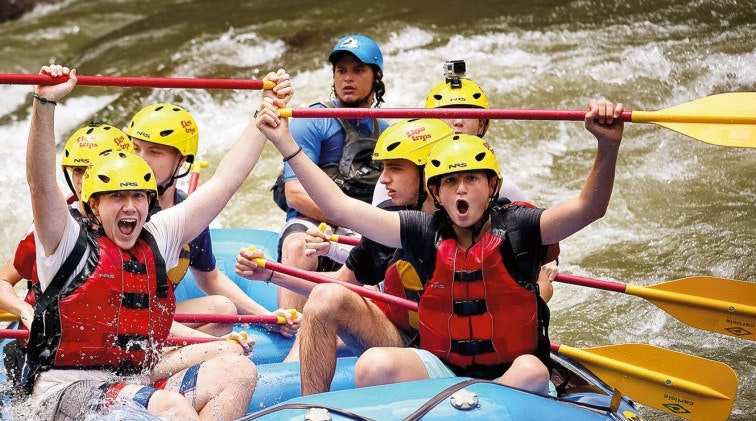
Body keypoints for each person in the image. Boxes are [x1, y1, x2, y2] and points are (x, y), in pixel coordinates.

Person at [253, 94, 624, 395]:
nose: (461, 189)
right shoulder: (420, 229)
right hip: (442, 366)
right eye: (450, 182)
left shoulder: (522, 224)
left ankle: (475, 407)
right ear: (436, 191)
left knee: (530, 370)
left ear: (493, 186)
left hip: (511, 370)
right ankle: (316, 413)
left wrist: (607, 146)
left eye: (472, 179)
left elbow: (589, 208)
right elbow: (339, 207)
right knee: (372, 366)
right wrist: (285, 142)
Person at [23, 63, 293, 421]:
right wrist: (44, 103)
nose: (130, 206)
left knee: (238, 369)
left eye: (138, 196)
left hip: (135, 375)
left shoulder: (158, 234)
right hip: (64, 388)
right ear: (93, 205)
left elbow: (226, 182)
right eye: (117, 196)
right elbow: (40, 184)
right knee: (170, 409)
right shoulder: (64, 241)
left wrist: (263, 116)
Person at [236, 118, 454, 391]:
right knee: (327, 296)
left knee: (375, 364)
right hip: (404, 341)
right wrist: (270, 273)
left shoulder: (480, 224)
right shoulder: (392, 218)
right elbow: (342, 281)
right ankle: (310, 407)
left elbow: (339, 208)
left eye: (395, 168)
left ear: (430, 170)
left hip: (458, 357)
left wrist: (286, 142)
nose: (384, 178)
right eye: (383, 168)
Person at [125, 103, 299, 338]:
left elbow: (210, 277)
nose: (141, 159)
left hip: (156, 316)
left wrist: (266, 317)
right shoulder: (125, 212)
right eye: (135, 149)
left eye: (155, 151)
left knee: (223, 308)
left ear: (182, 160)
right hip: (125, 319)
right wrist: (217, 344)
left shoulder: (187, 210)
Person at [419, 61, 559, 301]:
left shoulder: (499, 183)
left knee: (539, 278)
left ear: (482, 124)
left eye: (466, 112)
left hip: (481, 275)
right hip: (428, 273)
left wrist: (551, 260)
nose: (457, 122)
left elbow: (538, 228)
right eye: (446, 114)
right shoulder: (405, 176)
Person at [272, 34, 389, 313]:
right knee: (300, 246)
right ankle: (289, 326)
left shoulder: (386, 130)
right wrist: (358, 220)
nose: (348, 77)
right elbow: (295, 194)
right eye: (341, 70)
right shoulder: (311, 120)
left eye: (358, 70)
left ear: (376, 77)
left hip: (360, 224)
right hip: (312, 219)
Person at [0, 122, 132, 327]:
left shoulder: (139, 219)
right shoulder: (54, 222)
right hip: (50, 336)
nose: (82, 181)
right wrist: (24, 309)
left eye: (94, 171)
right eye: (78, 171)